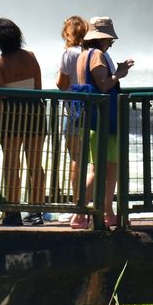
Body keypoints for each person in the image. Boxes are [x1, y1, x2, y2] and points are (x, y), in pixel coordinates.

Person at [69, 16, 134, 229]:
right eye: (109, 40)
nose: (110, 44)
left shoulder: (83, 54)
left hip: (95, 119)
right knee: (99, 169)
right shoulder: (96, 54)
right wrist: (120, 73)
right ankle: (80, 213)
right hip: (102, 119)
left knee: (109, 167)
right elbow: (104, 85)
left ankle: (108, 212)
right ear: (101, 39)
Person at [0, 18, 46, 226]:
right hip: (34, 112)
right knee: (35, 164)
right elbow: (38, 87)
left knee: (13, 165)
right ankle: (37, 210)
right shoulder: (30, 57)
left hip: (11, 115)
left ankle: (13, 212)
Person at [55, 16, 89, 182]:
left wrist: (56, 75)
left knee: (76, 157)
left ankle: (77, 200)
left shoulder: (68, 54)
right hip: (93, 109)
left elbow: (62, 84)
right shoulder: (93, 53)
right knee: (93, 158)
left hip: (73, 112)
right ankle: (92, 198)